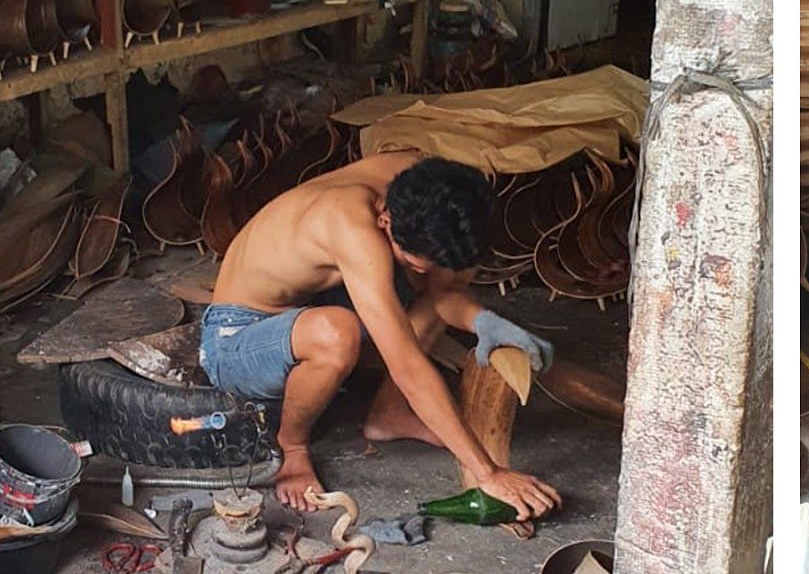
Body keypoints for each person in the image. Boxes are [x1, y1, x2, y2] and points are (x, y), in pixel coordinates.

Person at [201, 152, 560, 518]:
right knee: (337, 333)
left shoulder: (427, 183)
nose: (424, 272)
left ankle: (390, 413)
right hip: (235, 339)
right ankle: (289, 448)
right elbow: (407, 366)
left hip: (305, 307)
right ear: (384, 220)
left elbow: (444, 293)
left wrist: (485, 321)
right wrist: (489, 473)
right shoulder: (349, 227)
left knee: (428, 285)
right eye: (416, 262)